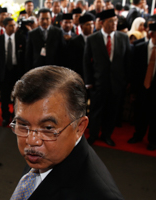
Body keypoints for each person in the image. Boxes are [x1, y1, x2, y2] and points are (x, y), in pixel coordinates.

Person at [9, 66, 124, 200]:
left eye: (47, 128)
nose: (31, 141)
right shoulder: (44, 155)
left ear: (79, 127)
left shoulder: (99, 196)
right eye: (23, 125)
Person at [83, 9, 131, 146]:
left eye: (115, 21)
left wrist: (126, 82)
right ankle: (93, 135)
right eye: (111, 21)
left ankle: (106, 135)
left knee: (112, 111)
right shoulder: (93, 38)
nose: (114, 24)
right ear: (102, 23)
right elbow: (86, 62)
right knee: (96, 111)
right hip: (98, 83)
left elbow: (128, 61)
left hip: (116, 83)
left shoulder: (123, 38)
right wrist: (89, 81)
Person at [128, 23, 156, 151]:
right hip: (141, 88)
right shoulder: (139, 48)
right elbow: (133, 71)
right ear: (151, 34)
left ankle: (153, 140)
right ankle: (138, 135)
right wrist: (132, 91)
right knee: (140, 113)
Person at [0, 18, 26, 127]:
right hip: (4, 72)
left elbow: (25, 57)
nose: (13, 27)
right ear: (5, 27)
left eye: (14, 25)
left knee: (17, 97)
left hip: (17, 72)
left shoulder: (21, 38)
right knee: (4, 97)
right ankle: (5, 117)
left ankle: (15, 118)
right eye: (11, 25)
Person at [67, 13, 95, 78]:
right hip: (79, 73)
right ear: (81, 26)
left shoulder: (96, 40)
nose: (91, 27)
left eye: (92, 24)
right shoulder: (74, 41)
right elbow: (71, 61)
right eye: (88, 24)